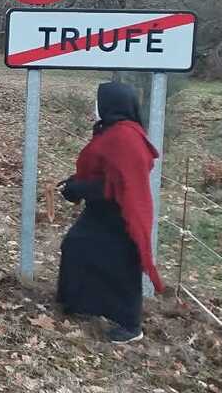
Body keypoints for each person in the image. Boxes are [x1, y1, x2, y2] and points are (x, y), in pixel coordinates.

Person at [57, 82, 164, 344]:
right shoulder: (113, 130)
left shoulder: (124, 137)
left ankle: (131, 325)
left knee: (123, 266)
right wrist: (75, 183)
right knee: (77, 246)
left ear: (112, 104)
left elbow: (119, 184)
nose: (95, 107)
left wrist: (79, 188)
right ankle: (79, 302)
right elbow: (105, 171)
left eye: (99, 102)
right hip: (102, 211)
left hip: (122, 214)